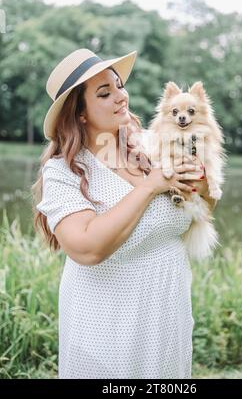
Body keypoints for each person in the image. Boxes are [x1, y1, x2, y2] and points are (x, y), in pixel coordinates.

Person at [32, 48, 204, 379]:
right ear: (80, 113)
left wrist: (200, 182)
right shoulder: (64, 171)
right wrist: (150, 186)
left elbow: (199, 204)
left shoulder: (153, 144)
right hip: (106, 324)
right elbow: (86, 247)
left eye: (119, 85)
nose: (120, 97)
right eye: (104, 93)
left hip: (166, 312)